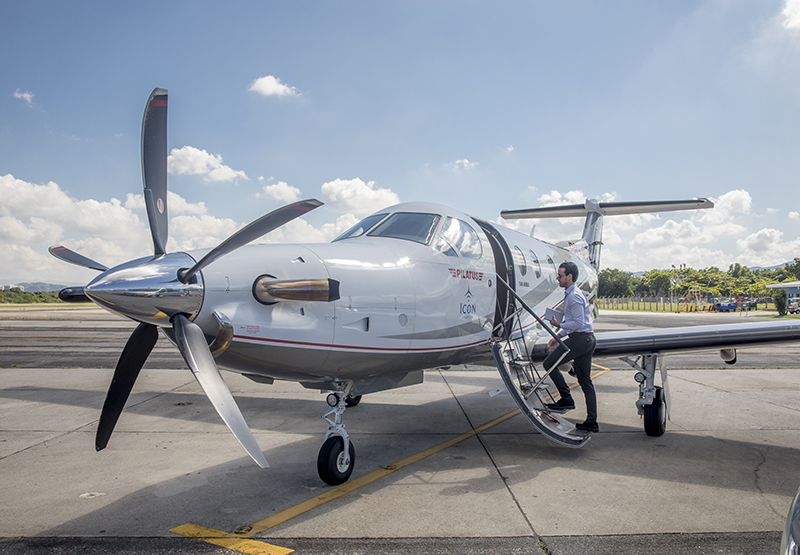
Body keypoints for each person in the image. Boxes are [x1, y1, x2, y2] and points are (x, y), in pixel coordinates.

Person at [543, 261, 598, 432]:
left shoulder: (573, 296)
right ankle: (592, 421)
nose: (557, 278)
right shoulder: (573, 294)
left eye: (560, 275)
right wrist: (558, 336)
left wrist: (559, 325)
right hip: (587, 339)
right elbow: (575, 322)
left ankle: (566, 398)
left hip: (579, 340)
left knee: (549, 363)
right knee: (585, 381)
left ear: (569, 276)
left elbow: (577, 323)